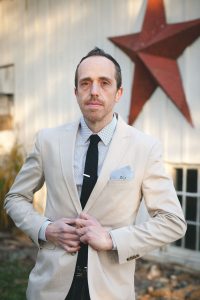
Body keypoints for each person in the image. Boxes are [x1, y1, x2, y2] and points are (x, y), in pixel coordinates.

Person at [4, 47, 186, 300]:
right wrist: (45, 229)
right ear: (75, 91)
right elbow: (15, 198)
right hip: (50, 288)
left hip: (110, 289)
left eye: (105, 83)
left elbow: (173, 222)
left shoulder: (145, 148)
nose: (94, 91)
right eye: (85, 83)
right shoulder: (48, 140)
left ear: (118, 92)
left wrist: (112, 239)